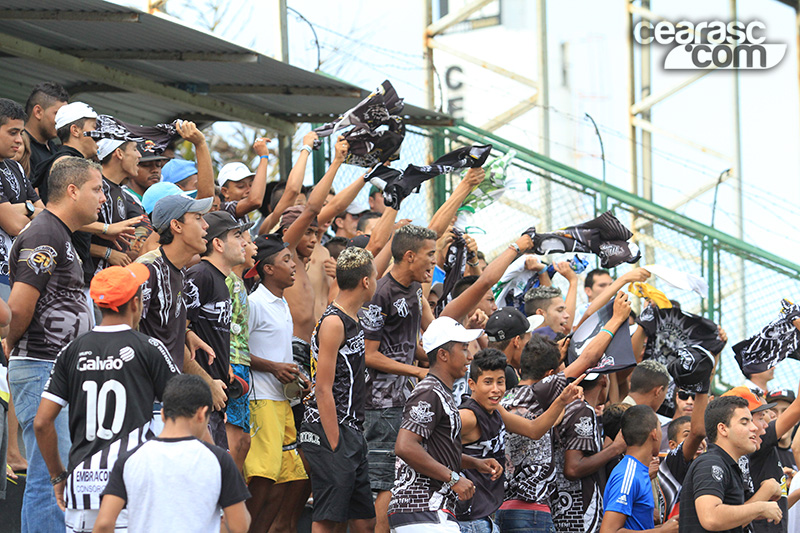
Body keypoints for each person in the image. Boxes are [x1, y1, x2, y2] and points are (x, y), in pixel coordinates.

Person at [33, 263, 179, 533]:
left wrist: (57, 476)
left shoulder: (71, 351)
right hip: (133, 488)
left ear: (98, 305)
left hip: (81, 488)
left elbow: (41, 423)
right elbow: (186, 411)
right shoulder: (149, 348)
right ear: (135, 303)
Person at [4, 157, 104, 533]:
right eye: (97, 189)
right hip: (41, 366)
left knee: (55, 476)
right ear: (72, 190)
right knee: (51, 477)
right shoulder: (44, 233)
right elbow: (18, 307)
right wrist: (12, 345)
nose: (103, 198)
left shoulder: (59, 233)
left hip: (54, 369)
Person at [498, 293, 631, 533]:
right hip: (531, 511)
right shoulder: (538, 392)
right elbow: (589, 358)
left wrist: (554, 357)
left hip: (506, 506)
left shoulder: (506, 395)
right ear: (550, 375)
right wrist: (616, 320)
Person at [93, 375, 251, 533]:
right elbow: (239, 526)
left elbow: (104, 524)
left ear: (163, 414)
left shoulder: (129, 459)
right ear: (202, 413)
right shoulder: (219, 460)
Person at [389, 316, 500, 533]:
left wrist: (475, 463)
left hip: (431, 511)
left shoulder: (439, 392)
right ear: (443, 355)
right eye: (464, 348)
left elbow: (434, 451)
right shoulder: (429, 391)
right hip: (423, 509)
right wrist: (454, 478)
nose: (470, 356)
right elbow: (405, 446)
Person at [360, 224, 437, 531]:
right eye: (430, 254)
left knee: (398, 479)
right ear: (409, 256)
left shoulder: (415, 289)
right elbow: (369, 354)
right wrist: (418, 371)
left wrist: (436, 361)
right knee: (386, 483)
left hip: (403, 398)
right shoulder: (381, 293)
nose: (434, 260)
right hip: (379, 404)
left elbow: (406, 344)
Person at [456, 349, 583, 533]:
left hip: (486, 516)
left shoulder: (496, 411)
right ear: (472, 384)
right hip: (467, 520)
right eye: (488, 382)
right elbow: (431, 448)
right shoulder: (467, 416)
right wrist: (455, 478)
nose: (495, 389)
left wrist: (562, 400)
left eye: (500, 382)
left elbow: (533, 430)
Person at [299, 246, 377, 532]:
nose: (376, 281)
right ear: (365, 282)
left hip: (352, 429)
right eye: (375, 277)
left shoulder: (352, 317)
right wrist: (335, 444)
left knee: (365, 521)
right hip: (332, 428)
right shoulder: (334, 322)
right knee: (329, 519)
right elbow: (322, 388)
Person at [244, 233, 310, 533]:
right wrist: (272, 367)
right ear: (268, 269)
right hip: (261, 401)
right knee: (263, 477)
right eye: (286, 260)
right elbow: (236, 351)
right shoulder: (254, 303)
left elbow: (279, 354)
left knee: (286, 478)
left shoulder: (282, 303)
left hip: (282, 401)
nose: (293, 265)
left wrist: (297, 376)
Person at [136, 194, 227, 410]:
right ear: (176, 226)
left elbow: (163, 334)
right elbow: (126, 333)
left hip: (168, 396)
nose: (206, 226)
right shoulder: (147, 269)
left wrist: (184, 333)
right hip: (145, 399)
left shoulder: (180, 272)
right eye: (198, 218)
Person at [185, 210, 250, 448]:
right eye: (237, 236)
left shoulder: (221, 280)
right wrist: (207, 382)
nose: (244, 242)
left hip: (215, 396)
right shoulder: (200, 274)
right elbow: (177, 332)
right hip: (198, 394)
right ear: (218, 244)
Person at [679, 396, 782, 532]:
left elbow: (729, 523)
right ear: (723, 429)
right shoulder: (711, 462)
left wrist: (758, 509)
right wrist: (760, 507)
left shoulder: (728, 465)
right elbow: (711, 518)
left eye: (752, 421)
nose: (754, 428)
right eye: (744, 422)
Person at [722, 385, 800, 533]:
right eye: (762, 414)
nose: (771, 416)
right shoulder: (760, 439)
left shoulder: (759, 444)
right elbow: (797, 407)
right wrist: (769, 488)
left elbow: (774, 510)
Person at [601, 405, 678, 533]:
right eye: (660, 427)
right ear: (654, 434)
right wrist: (660, 532)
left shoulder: (638, 470)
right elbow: (609, 531)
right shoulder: (627, 475)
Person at [0, 98, 45, 299]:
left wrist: (21, 209)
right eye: (13, 133)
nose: (19, 140)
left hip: (18, 273)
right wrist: (29, 209)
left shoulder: (16, 167)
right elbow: (15, 225)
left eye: (21, 133)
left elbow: (45, 216)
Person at [225, 231, 258, 470]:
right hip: (231, 364)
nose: (249, 245)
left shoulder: (239, 282)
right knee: (233, 439)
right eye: (242, 238)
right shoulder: (225, 279)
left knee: (244, 441)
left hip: (242, 364)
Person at [484, 307, 541, 390]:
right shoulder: (505, 372)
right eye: (528, 343)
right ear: (517, 341)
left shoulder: (480, 366)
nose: (531, 349)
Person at [218, 137, 270, 224]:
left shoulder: (243, 215)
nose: (249, 190)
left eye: (251, 185)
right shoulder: (224, 210)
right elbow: (255, 201)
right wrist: (264, 157)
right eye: (241, 186)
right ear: (225, 192)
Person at [23, 81, 68, 170]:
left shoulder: (55, 150)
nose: (62, 121)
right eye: (57, 114)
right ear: (38, 112)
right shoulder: (19, 148)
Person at [766, 389, 798, 471]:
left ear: (797, 419)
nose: (779, 417)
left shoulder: (798, 450)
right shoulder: (759, 450)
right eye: (773, 412)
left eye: (786, 412)